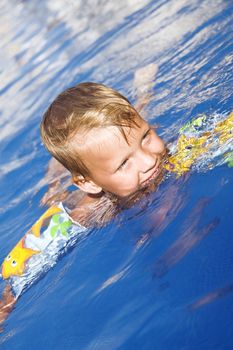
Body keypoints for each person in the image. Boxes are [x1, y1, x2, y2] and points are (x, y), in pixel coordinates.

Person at [0, 67, 232, 328]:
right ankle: (56, 174)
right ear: (88, 183)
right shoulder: (90, 212)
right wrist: (5, 306)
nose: (149, 161)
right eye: (123, 165)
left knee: (123, 135)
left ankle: (144, 95)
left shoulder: (175, 153)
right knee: (54, 194)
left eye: (147, 136)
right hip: (85, 193)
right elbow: (27, 262)